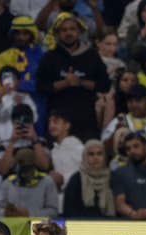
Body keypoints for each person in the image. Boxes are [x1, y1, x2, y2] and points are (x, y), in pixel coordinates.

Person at [35, 12, 110, 141]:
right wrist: (65, 83)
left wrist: (80, 82)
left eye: (72, 29)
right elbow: (41, 86)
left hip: (86, 121)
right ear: (57, 33)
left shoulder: (92, 55)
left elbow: (105, 85)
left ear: (79, 31)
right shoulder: (49, 57)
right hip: (58, 121)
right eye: (64, 30)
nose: (68, 33)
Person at [0, 147, 59, 217]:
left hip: (37, 223)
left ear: (34, 165)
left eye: (26, 167)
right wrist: (5, 213)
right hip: (13, 222)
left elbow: (53, 211)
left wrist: (29, 214)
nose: (23, 171)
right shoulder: (8, 182)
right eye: (21, 166)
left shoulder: (47, 182)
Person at [62, 140, 116, 218]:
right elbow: (69, 209)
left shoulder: (113, 177)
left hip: (111, 223)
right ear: (84, 157)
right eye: (91, 154)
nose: (95, 158)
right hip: (81, 223)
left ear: (105, 157)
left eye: (99, 154)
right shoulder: (76, 179)